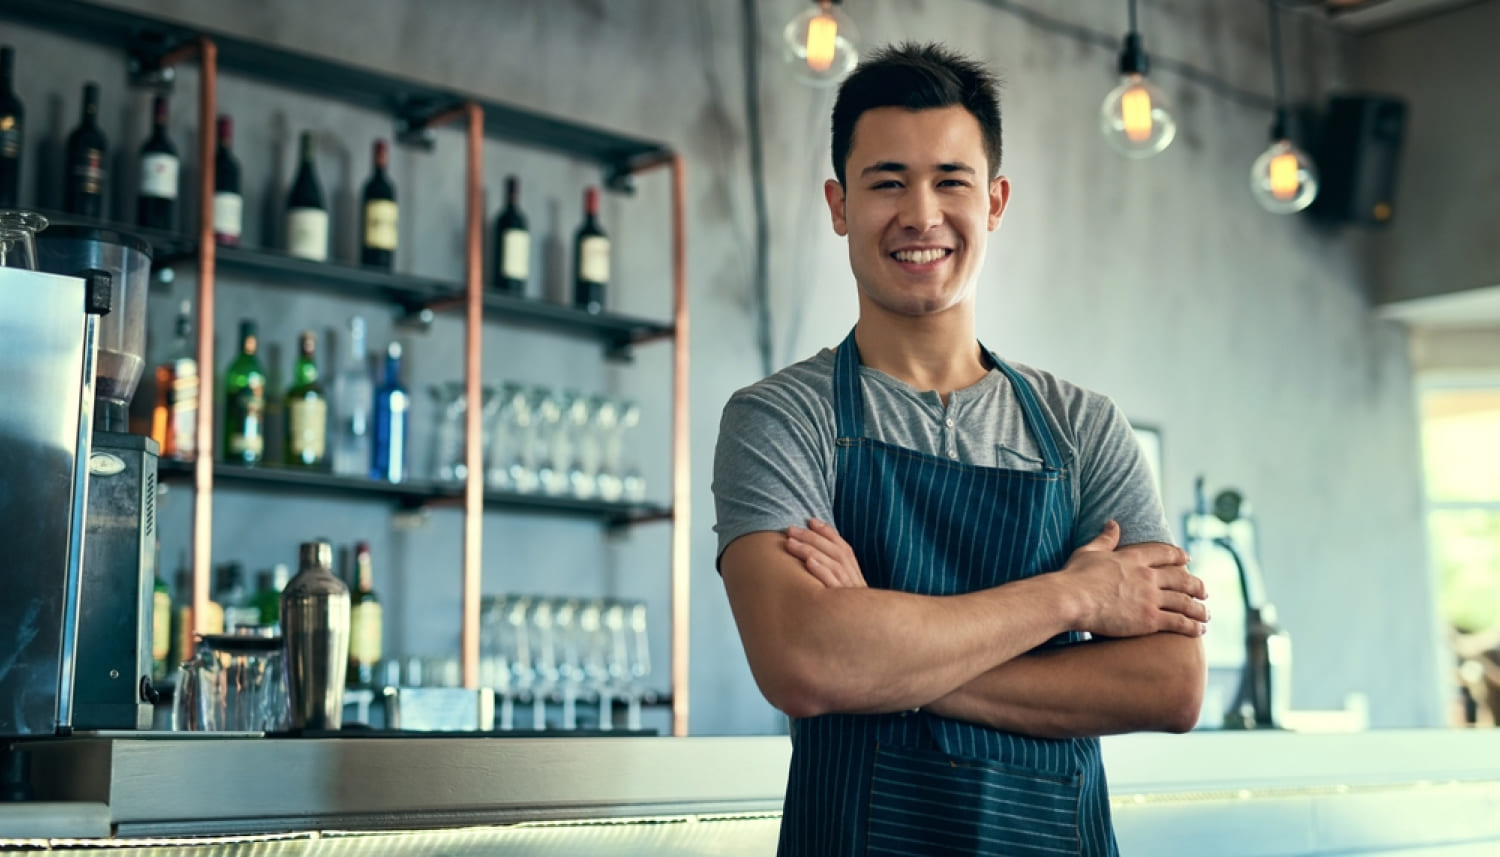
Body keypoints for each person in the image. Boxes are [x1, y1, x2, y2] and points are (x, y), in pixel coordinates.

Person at [712, 43, 1209, 856]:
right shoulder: (780, 418)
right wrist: (1073, 597)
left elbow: (1170, 684)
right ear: (839, 205)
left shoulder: (1084, 427)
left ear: (995, 201)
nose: (920, 214)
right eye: (887, 182)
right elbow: (804, 662)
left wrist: (883, 652)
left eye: (951, 181)